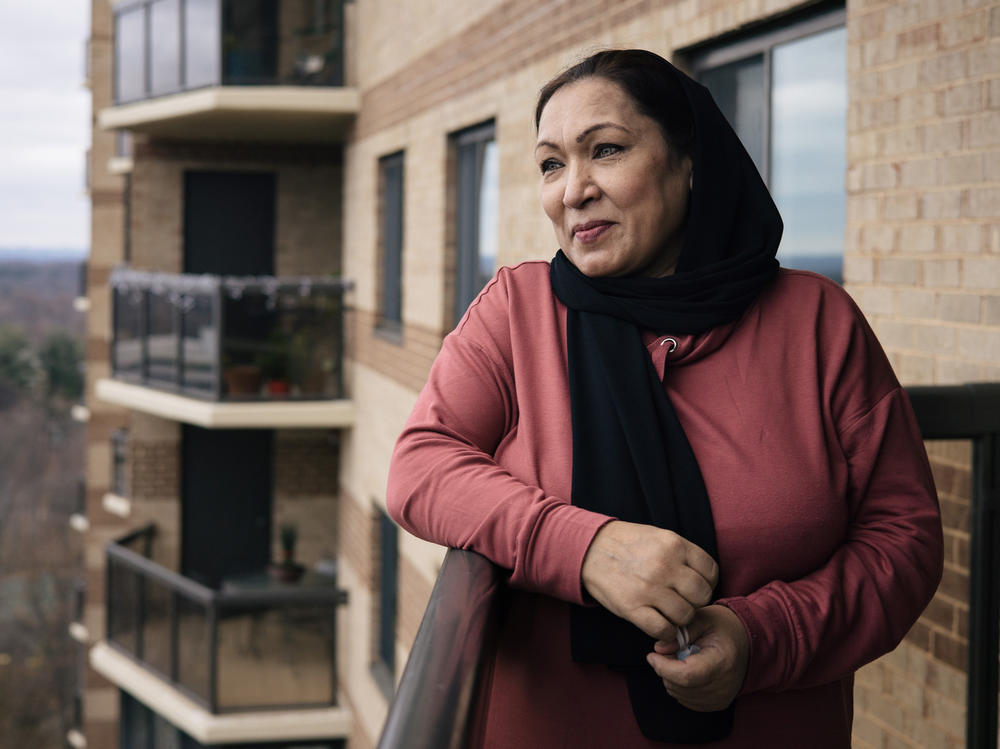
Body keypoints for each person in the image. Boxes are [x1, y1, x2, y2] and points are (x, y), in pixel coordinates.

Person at [386, 49, 943, 748]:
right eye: (552, 164)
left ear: (689, 161)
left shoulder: (817, 323)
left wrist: (760, 636)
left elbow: (906, 538)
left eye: (606, 150)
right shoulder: (516, 311)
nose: (573, 189)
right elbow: (420, 465)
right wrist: (584, 546)